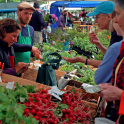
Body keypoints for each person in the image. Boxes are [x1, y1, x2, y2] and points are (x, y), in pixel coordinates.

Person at [63, 1, 123, 84]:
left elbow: (110, 64)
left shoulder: (118, 35)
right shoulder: (116, 34)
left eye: (97, 17)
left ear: (109, 16)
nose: (95, 21)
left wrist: (81, 60)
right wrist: (99, 44)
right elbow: (113, 57)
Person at [99, 1, 124, 123]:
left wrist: (120, 95)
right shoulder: (121, 45)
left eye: (117, 14)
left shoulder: (117, 44)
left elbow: (99, 77)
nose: (116, 21)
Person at [13, 2, 41, 66]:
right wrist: (30, 48)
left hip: (26, 68)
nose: (28, 16)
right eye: (25, 13)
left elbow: (29, 49)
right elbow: (10, 46)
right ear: (18, 12)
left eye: (30, 14)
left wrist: (35, 53)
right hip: (13, 68)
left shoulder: (31, 29)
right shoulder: (12, 27)